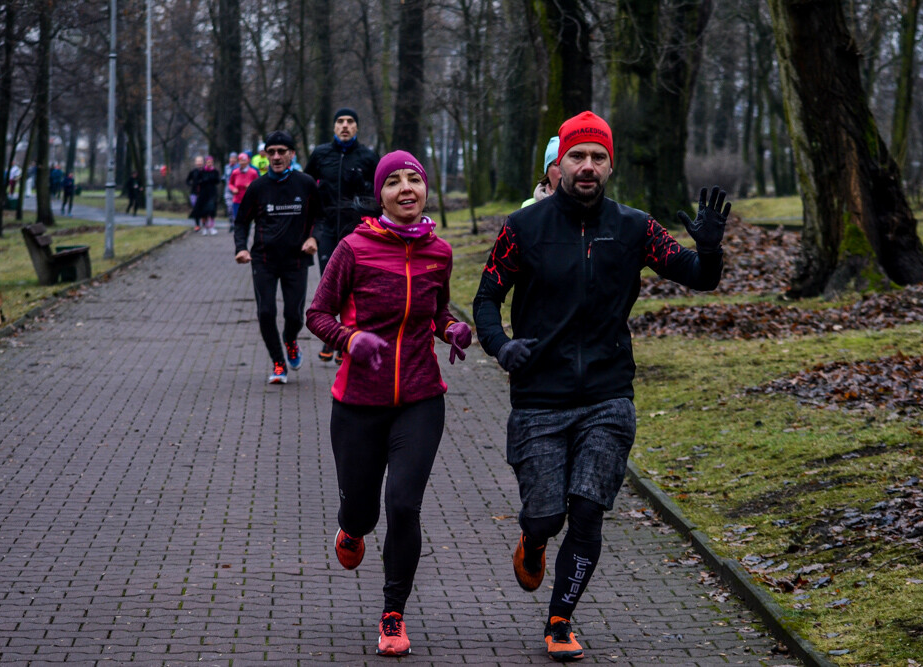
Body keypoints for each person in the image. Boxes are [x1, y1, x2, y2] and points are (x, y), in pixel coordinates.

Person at [473, 111, 730, 662]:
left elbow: (699, 275)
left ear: (610, 165)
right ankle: (534, 538)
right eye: (577, 156)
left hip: (609, 396)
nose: (587, 166)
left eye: (597, 157)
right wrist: (501, 346)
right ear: (558, 164)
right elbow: (486, 297)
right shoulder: (525, 228)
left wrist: (709, 249)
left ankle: (560, 620)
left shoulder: (634, 227)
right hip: (540, 395)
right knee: (547, 514)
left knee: (588, 511)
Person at [305, 150, 472, 658]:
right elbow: (317, 313)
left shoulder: (439, 252)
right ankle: (351, 529)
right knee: (363, 510)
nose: (406, 188)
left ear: (425, 189)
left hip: (420, 397)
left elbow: (438, 312)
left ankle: (393, 611)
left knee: (404, 505)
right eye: (394, 181)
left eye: (415, 180)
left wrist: (452, 330)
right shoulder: (353, 249)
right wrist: (350, 339)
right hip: (357, 401)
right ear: (379, 193)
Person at [234, 131, 321, 384]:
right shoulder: (258, 187)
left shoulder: (305, 184)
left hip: (296, 260)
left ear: (291, 154)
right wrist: (241, 247)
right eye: (271, 152)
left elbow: (321, 216)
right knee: (266, 311)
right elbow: (241, 223)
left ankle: (291, 340)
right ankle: (278, 363)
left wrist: (313, 238)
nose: (276, 156)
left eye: (282, 151)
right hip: (264, 260)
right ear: (265, 155)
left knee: (294, 315)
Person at [304, 107, 378, 362]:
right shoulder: (321, 154)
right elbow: (305, 187)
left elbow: (379, 193)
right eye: (340, 122)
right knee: (329, 283)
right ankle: (332, 337)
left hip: (356, 228)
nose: (345, 126)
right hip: (326, 227)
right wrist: (308, 228)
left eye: (350, 121)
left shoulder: (368, 157)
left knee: (353, 286)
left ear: (356, 127)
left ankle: (344, 339)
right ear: (334, 127)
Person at [521, 136, 560, 208]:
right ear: (547, 170)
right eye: (557, 164)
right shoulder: (528, 207)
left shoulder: (585, 206)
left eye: (566, 164)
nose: (563, 170)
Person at [228, 152, 258, 233]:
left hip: (248, 200)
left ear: (248, 161)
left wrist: (251, 186)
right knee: (237, 218)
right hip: (237, 200)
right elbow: (230, 183)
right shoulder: (235, 172)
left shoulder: (253, 172)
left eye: (244, 160)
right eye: (241, 160)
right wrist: (233, 189)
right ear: (238, 162)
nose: (242, 162)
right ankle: (238, 233)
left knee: (247, 219)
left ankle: (245, 232)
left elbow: (258, 184)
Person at [190, 156, 220, 235]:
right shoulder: (202, 172)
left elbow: (217, 181)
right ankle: (205, 227)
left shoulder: (215, 171)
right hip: (203, 194)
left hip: (212, 193)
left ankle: (212, 227)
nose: (209, 164)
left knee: (211, 210)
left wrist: (212, 179)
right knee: (204, 212)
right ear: (205, 163)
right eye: (208, 162)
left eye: (211, 162)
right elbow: (197, 182)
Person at [186, 156, 204, 231]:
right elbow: (187, 181)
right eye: (197, 161)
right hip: (194, 193)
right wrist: (192, 184)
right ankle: (197, 225)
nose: (199, 162)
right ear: (195, 162)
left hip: (203, 193)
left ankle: (204, 220)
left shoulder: (205, 171)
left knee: (203, 208)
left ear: (203, 162)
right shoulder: (193, 172)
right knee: (196, 209)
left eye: (200, 161)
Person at [222, 152, 239, 227]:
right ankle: (231, 221)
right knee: (229, 207)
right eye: (231, 158)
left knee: (236, 207)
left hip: (236, 190)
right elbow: (225, 176)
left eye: (234, 158)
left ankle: (236, 222)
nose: (232, 159)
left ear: (236, 159)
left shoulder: (239, 167)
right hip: (228, 189)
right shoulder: (226, 167)